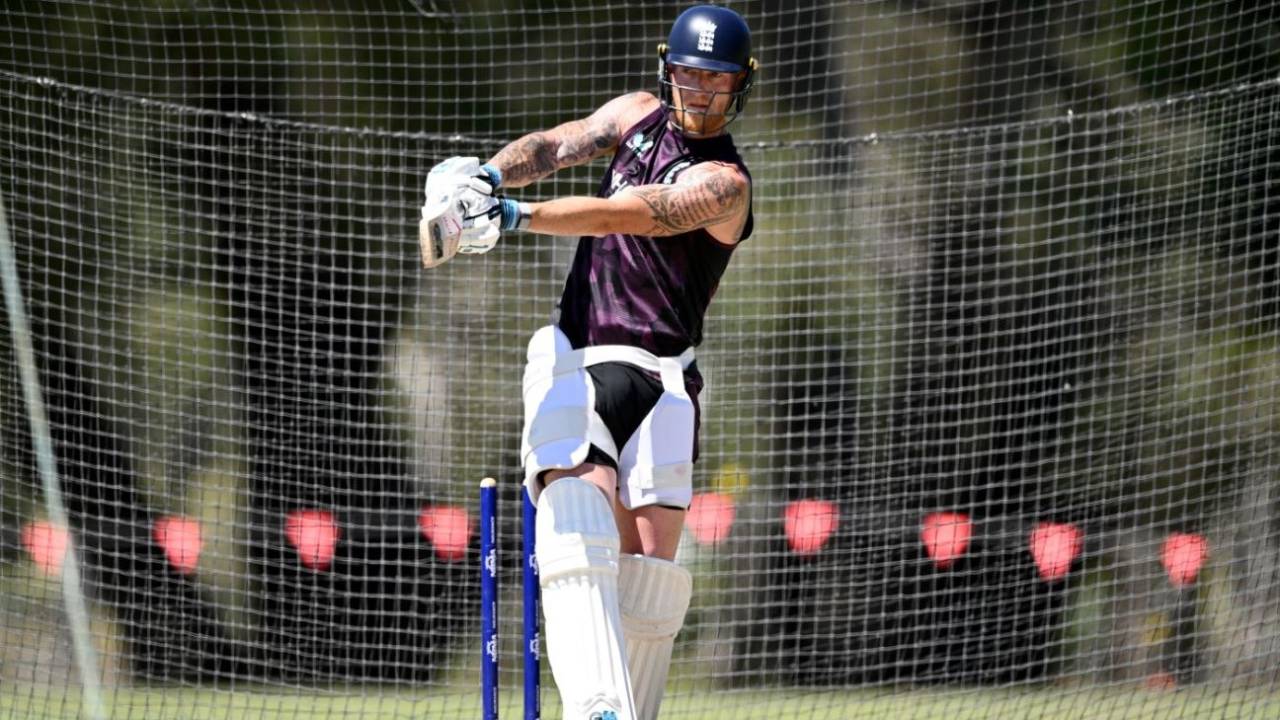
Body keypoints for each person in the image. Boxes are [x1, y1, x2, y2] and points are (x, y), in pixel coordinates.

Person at [421, 6, 757, 719]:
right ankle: (599, 707)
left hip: (667, 381)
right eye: (688, 74)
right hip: (590, 353)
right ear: (668, 71)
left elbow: (629, 214)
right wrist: (486, 179)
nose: (698, 92)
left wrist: (515, 218)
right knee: (576, 511)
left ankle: (621, 708)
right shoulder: (637, 114)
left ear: (738, 87)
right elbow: (555, 144)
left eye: (715, 80)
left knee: (648, 589)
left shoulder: (726, 184)